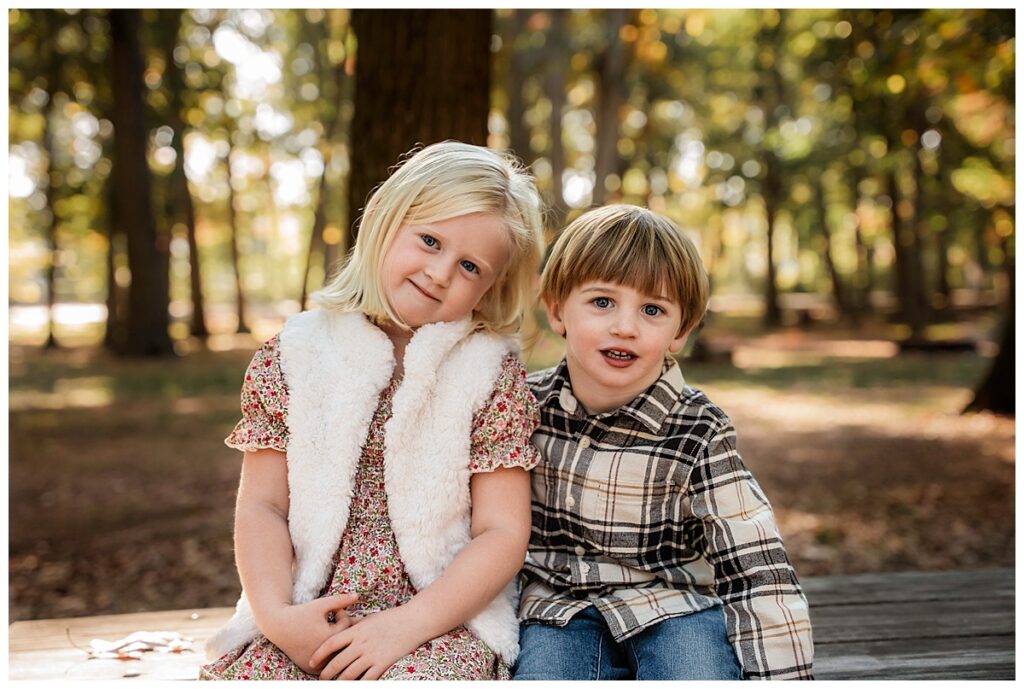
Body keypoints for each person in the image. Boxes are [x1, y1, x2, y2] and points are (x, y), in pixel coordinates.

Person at [200, 141, 546, 680]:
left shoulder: (488, 375)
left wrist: (406, 626)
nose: (439, 272)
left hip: (436, 618)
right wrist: (277, 617)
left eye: (469, 266)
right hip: (308, 607)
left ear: (489, 288)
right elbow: (262, 507)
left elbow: (502, 532)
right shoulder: (294, 356)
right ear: (386, 219)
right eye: (429, 240)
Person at [512, 204, 814, 680]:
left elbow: (755, 563)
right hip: (557, 606)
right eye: (602, 302)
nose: (625, 326)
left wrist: (784, 677)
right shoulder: (523, 406)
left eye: (652, 309)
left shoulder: (698, 430)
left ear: (681, 331)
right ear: (556, 310)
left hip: (675, 605)